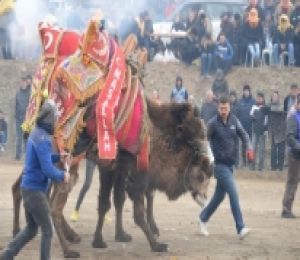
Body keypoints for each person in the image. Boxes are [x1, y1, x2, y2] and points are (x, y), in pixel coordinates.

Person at [0, 99, 70, 260]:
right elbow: (47, 169)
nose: (57, 120)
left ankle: (7, 255)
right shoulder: (44, 139)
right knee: (47, 230)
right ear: (50, 118)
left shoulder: (37, 133)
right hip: (35, 192)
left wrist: (58, 156)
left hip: (28, 189)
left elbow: (43, 159)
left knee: (32, 229)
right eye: (55, 117)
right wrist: (63, 176)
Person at [199, 96, 254, 239]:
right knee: (233, 193)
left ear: (230, 108)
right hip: (219, 165)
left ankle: (203, 218)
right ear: (218, 108)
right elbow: (204, 140)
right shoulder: (212, 123)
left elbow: (245, 135)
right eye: (221, 108)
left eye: (226, 108)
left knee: (219, 196)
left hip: (230, 165)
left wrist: (249, 147)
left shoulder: (234, 120)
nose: (223, 111)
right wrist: (208, 157)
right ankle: (240, 228)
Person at [281, 97, 300, 218]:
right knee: (292, 180)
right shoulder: (293, 116)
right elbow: (290, 136)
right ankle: (286, 209)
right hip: (294, 154)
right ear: (297, 104)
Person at [250, 92, 269, 171]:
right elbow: (251, 116)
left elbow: (267, 120)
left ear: (263, 99)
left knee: (261, 150)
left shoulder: (266, 108)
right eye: (258, 98)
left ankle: (260, 167)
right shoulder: (253, 107)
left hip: (262, 132)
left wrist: (266, 130)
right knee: (253, 149)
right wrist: (254, 117)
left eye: (260, 98)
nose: (259, 99)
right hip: (254, 131)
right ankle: (252, 166)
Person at [237, 85, 256, 167]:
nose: (246, 92)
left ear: (250, 92)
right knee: (243, 145)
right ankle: (244, 162)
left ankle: (250, 161)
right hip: (242, 126)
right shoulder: (240, 101)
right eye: (245, 90)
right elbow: (238, 113)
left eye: (247, 90)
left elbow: (255, 114)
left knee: (250, 145)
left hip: (250, 126)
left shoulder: (253, 101)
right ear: (243, 92)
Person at [268, 91, 286, 171]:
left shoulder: (282, 106)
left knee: (281, 151)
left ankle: (280, 167)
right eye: (273, 96)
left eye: (276, 96)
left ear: (278, 98)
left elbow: (280, 110)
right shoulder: (268, 106)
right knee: (273, 151)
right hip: (273, 131)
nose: (274, 98)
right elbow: (267, 109)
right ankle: (273, 167)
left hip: (282, 131)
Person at [15, 76, 31, 160]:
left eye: (24, 82)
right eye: (21, 83)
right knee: (18, 137)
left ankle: (27, 155)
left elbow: (30, 106)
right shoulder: (18, 93)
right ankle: (17, 155)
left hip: (26, 120)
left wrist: (28, 118)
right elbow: (16, 105)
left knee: (26, 138)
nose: (22, 84)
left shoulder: (29, 93)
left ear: (26, 83)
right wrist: (16, 116)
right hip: (18, 119)